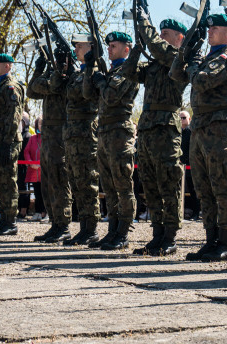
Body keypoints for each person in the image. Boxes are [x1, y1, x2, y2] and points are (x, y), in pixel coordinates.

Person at [171, 12, 227, 262]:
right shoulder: (206, 58)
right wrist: (189, 47)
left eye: (216, 29)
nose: (211, 32)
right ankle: (210, 239)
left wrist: (193, 63)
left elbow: (202, 82)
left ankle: (225, 241)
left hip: (221, 128)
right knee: (204, 188)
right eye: (209, 29)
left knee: (222, 187)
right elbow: (176, 73)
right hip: (201, 128)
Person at [130, 17, 189, 256]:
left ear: (179, 38)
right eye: (160, 32)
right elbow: (129, 71)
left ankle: (170, 236)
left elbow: (159, 49)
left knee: (168, 183)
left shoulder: (178, 59)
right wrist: (137, 47)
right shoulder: (154, 63)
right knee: (150, 183)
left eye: (166, 33)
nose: (161, 36)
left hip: (166, 129)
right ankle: (157, 233)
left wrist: (145, 26)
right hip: (147, 128)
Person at [91, 31, 141, 251]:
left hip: (120, 132)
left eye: (114, 46)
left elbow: (111, 97)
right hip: (104, 132)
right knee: (109, 185)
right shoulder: (110, 71)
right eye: (109, 45)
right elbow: (89, 95)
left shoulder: (127, 71)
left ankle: (123, 231)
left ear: (126, 49)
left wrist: (102, 82)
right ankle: (112, 229)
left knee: (122, 184)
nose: (109, 49)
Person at [51, 36, 103, 245]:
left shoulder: (95, 70)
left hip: (85, 132)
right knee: (76, 180)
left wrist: (90, 65)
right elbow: (57, 88)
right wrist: (60, 65)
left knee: (87, 180)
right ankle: (83, 226)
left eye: (80, 46)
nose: (76, 49)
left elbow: (88, 94)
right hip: (72, 133)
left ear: (91, 47)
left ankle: (90, 228)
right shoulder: (77, 73)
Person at [27, 51, 73, 242]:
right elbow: (31, 91)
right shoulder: (52, 73)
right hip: (48, 133)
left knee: (59, 180)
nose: (54, 62)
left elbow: (53, 85)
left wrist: (58, 68)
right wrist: (40, 68)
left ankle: (63, 225)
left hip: (60, 133)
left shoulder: (67, 75)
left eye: (57, 60)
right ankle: (54, 223)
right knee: (47, 183)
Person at [0, 53, 26, 236]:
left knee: (8, 181)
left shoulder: (11, 87)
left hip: (6, 141)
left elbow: (14, 116)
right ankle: (4, 220)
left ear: (8, 66)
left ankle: (10, 221)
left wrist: (7, 143)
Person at [179, 110, 200, 221]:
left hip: (190, 165)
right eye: (180, 118)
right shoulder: (177, 132)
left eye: (184, 117)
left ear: (189, 118)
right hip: (180, 164)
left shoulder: (192, 132)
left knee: (193, 190)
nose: (182, 120)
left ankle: (196, 213)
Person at [23, 118, 45, 221]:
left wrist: (42, 164)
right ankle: (38, 212)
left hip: (44, 171)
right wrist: (31, 162)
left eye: (42, 123)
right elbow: (26, 151)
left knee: (45, 193)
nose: (41, 125)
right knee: (37, 193)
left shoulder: (48, 138)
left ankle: (46, 213)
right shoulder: (32, 138)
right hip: (34, 171)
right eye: (39, 123)